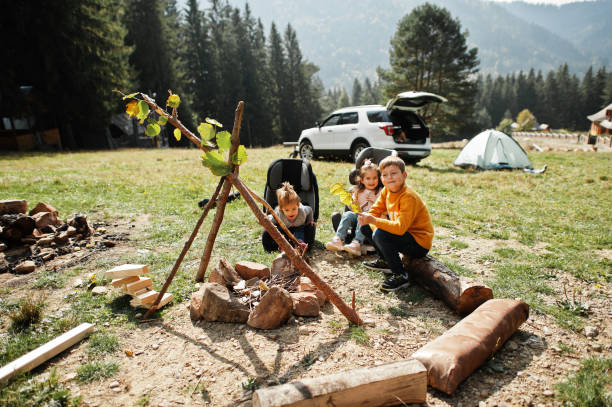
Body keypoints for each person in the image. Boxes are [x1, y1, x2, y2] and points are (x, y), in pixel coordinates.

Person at [358, 156, 433, 292]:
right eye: (385, 175)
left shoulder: (408, 196)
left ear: (404, 175)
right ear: (381, 179)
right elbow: (375, 210)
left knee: (380, 233)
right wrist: (367, 217)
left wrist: (374, 221)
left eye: (394, 173)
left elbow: (399, 228)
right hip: (405, 235)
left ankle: (401, 275)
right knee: (365, 226)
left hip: (419, 243)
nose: (389, 178)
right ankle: (385, 261)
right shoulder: (386, 190)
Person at [325, 160, 382, 256]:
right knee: (348, 214)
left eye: (374, 178)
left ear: (379, 179)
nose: (372, 181)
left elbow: (383, 207)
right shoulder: (357, 191)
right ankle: (339, 239)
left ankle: (357, 243)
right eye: (368, 178)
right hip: (358, 216)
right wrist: (351, 203)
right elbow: (352, 208)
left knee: (363, 216)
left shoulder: (380, 192)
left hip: (372, 220)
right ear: (362, 180)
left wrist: (375, 200)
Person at [261, 182, 316, 252]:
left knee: (300, 230)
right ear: (281, 209)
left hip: (298, 226)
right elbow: (270, 219)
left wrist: (309, 221)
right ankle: (284, 246)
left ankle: (299, 243)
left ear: (298, 205)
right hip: (284, 228)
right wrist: (266, 220)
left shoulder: (302, 211)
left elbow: (310, 210)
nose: (291, 212)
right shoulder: (279, 214)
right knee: (279, 231)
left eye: (294, 209)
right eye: (287, 210)